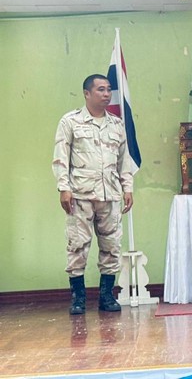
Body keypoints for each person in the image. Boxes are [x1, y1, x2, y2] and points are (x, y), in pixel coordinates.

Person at [52, 74, 134, 315]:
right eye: (101, 89)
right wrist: (64, 188)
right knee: (77, 246)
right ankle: (78, 298)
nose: (106, 94)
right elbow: (60, 157)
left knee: (111, 246)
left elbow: (123, 160)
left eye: (108, 89)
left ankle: (106, 297)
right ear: (87, 93)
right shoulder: (70, 121)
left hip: (110, 195)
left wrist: (127, 187)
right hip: (80, 195)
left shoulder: (116, 124)